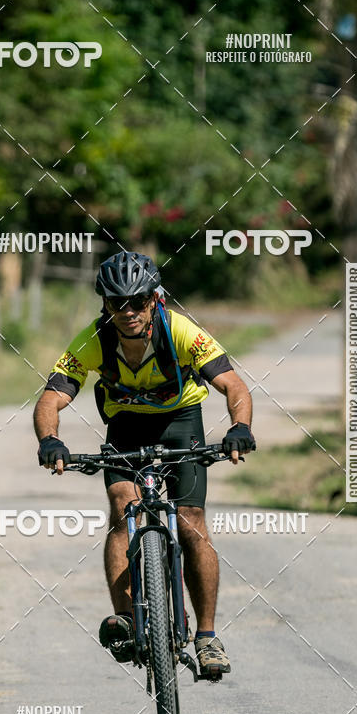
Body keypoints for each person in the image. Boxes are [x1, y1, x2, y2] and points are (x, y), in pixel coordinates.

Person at [33, 251, 255, 676]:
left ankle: (207, 636)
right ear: (106, 305)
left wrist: (239, 428)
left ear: (155, 299)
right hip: (127, 426)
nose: (129, 311)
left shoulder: (181, 330)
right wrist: (50, 439)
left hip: (180, 420)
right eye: (118, 303)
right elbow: (52, 397)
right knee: (122, 510)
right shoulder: (94, 339)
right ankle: (128, 622)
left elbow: (234, 385)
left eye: (138, 301)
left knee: (191, 519)